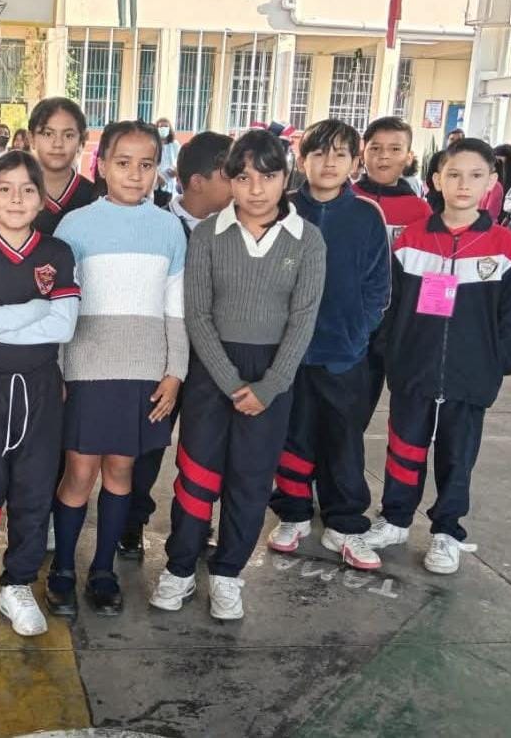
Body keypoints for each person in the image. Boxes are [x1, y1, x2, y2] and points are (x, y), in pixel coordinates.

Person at [149, 129, 325, 621]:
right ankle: (181, 569)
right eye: (243, 176)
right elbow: (197, 315)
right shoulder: (207, 235)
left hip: (272, 379)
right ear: (229, 180)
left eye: (268, 176)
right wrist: (229, 384)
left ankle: (227, 574)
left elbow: (303, 318)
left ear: (285, 178)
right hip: (213, 373)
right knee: (197, 476)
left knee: (249, 482)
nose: (255, 188)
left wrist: (269, 386)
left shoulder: (307, 240)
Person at [361, 138, 511, 574]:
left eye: (476, 176)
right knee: (405, 445)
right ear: (436, 179)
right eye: (453, 174)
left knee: (458, 453)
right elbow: (389, 302)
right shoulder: (412, 240)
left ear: (492, 182)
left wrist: (500, 361)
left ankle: (447, 531)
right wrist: (390, 351)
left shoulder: (503, 245)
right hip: (414, 366)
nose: (463, 185)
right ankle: (396, 518)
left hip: (472, 372)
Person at [47, 120, 188, 618]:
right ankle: (63, 567)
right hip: (86, 367)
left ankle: (102, 569)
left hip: (144, 371)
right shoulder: (76, 226)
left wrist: (174, 372)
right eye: (122, 163)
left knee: (122, 471)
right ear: (101, 165)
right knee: (79, 471)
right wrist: (60, 370)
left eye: (146, 165)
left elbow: (177, 307)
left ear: (157, 170)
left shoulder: (169, 228)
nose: (134, 174)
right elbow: (60, 306)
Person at [0, 150, 79, 636]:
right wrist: (32, 308)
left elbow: (64, 327)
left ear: (42, 198)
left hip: (42, 388)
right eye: (5, 188)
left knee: (33, 489)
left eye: (27, 189)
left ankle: (18, 585)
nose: (16, 198)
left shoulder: (57, 253)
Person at [265, 120, 390, 570]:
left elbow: (379, 284)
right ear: (302, 160)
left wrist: (360, 329)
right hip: (288, 353)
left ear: (356, 163)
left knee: (343, 440)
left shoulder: (366, 215)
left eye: (340, 153)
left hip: (344, 353)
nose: (329, 162)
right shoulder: (282, 210)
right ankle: (294, 514)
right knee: (292, 435)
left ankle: (345, 523)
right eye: (319, 153)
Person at [119, 130, 233, 559]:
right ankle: (131, 520)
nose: (241, 183)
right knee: (146, 443)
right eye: (230, 174)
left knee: (206, 447)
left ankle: (197, 522)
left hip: (213, 360)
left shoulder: (236, 228)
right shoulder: (154, 224)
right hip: (159, 357)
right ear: (199, 181)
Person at [352, 117, 431, 425]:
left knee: (365, 400)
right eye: (376, 148)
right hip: (347, 317)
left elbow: (430, 272)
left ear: (408, 156)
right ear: (363, 153)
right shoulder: (345, 199)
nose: (384, 156)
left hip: (394, 321)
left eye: (395, 148)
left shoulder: (419, 211)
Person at [28, 98, 97, 236]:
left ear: (82, 140)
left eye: (68, 135)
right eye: (48, 134)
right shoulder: (13, 195)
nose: (58, 144)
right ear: (31, 139)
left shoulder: (95, 198)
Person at [154, 118, 182, 194]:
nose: (163, 128)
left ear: (170, 129)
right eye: (161, 126)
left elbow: (181, 161)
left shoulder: (174, 145)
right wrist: (157, 177)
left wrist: (176, 171)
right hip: (155, 183)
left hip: (170, 184)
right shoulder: (153, 144)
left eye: (166, 126)